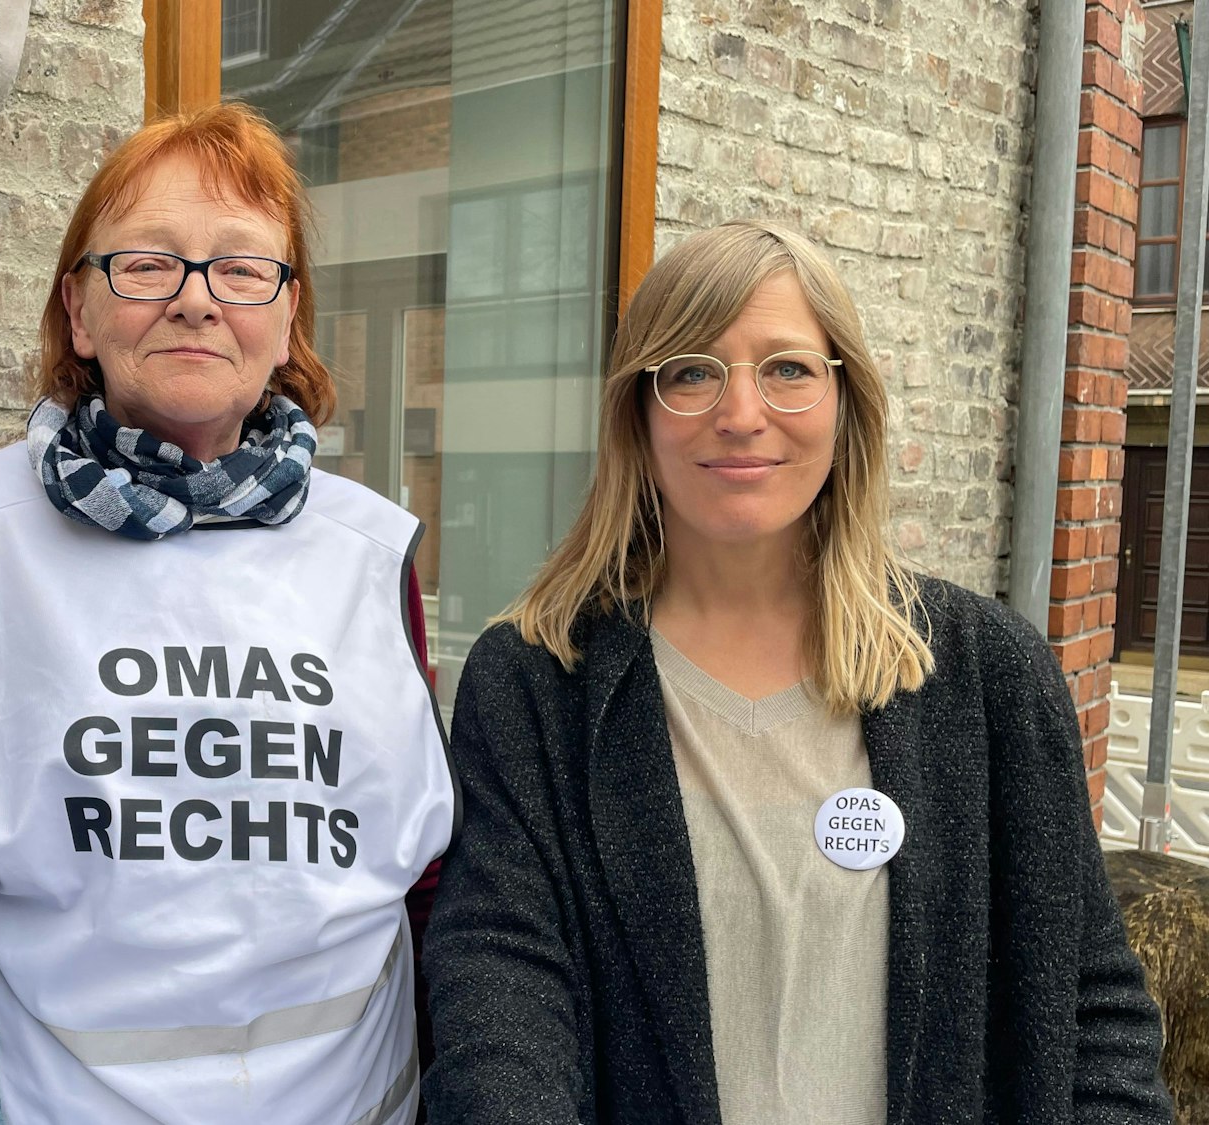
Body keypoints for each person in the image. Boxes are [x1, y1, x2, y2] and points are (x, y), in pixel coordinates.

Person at [422, 219, 1171, 1124]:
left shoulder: (984, 675)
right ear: (639, 413)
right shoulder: (539, 683)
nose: (741, 414)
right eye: (692, 371)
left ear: (845, 401)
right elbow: (499, 997)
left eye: (788, 368)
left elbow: (1092, 1018)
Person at [0, 102, 454, 1124]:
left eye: (239, 269)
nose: (194, 302)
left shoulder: (374, 553)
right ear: (78, 311)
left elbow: (427, 873)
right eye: (144, 264)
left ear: (286, 321)